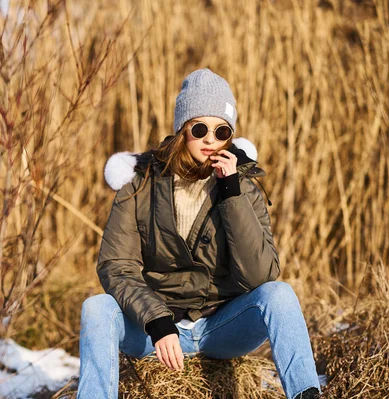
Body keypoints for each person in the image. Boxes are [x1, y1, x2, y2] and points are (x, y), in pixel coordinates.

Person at [77, 68, 321, 399]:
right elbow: (116, 266)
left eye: (221, 131)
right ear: (182, 129)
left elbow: (260, 276)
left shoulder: (243, 187)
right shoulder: (139, 186)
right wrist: (157, 321)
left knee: (279, 294)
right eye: (200, 128)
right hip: (155, 332)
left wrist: (231, 192)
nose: (210, 139)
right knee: (97, 307)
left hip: (220, 328)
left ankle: (306, 394)